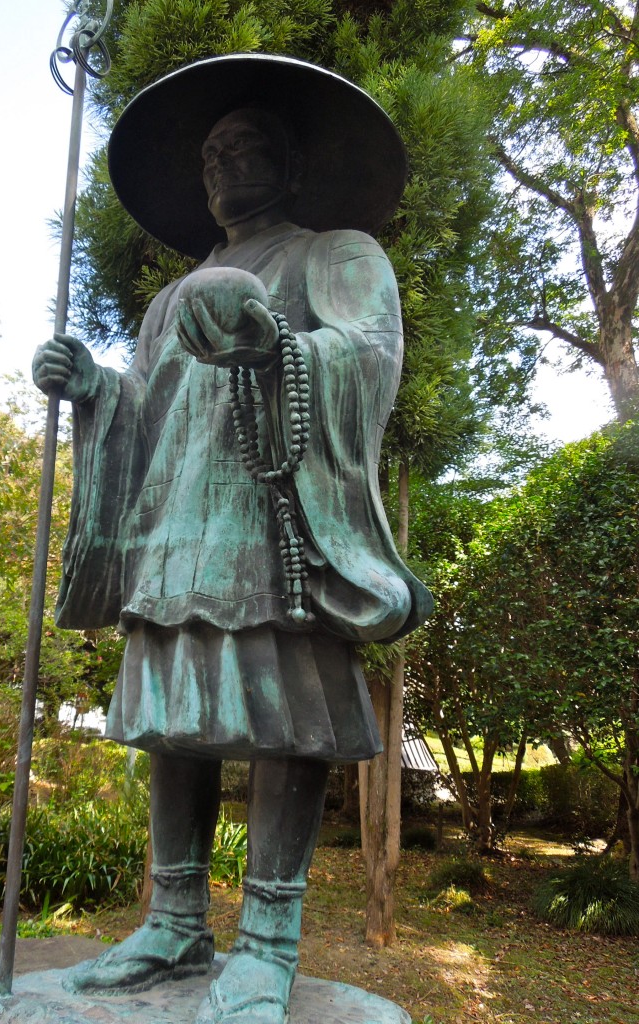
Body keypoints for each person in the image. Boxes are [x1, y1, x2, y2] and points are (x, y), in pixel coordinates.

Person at [33, 54, 432, 1024]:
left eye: (245, 146)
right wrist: (93, 389)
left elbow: (368, 358)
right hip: (176, 525)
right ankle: (173, 919)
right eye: (211, 153)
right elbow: (149, 410)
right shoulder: (171, 298)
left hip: (272, 522)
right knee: (179, 715)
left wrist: (277, 347)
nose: (223, 164)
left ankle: (267, 940)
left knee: (282, 715)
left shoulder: (334, 254)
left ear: (289, 165)